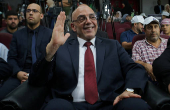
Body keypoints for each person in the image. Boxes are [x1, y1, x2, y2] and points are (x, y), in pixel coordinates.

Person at [29, 4, 150, 110]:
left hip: (111, 103)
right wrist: (50, 51)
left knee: (136, 105)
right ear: (73, 27)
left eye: (92, 17)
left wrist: (129, 90)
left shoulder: (113, 46)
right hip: (69, 104)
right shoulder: (61, 48)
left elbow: (135, 69)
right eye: (82, 18)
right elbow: (36, 80)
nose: (88, 21)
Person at [0, 3, 52, 100]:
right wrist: (18, 73)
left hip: (42, 75)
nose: (30, 13)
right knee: (2, 96)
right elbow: (11, 58)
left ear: (41, 16)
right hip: (20, 73)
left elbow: (53, 59)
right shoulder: (17, 35)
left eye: (34, 11)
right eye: (28, 11)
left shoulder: (49, 34)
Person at [132, 16, 168, 84]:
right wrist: (145, 65)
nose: (153, 30)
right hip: (149, 80)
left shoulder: (168, 43)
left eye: (155, 27)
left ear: (159, 29)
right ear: (144, 30)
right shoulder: (139, 44)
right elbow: (134, 61)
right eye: (150, 27)